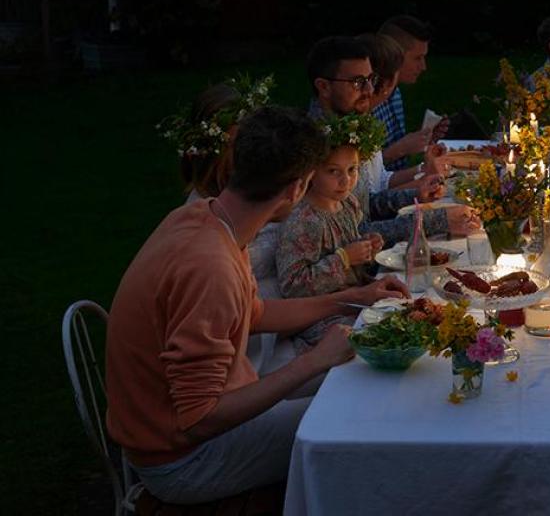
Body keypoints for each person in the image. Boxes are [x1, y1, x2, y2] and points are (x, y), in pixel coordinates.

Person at [106, 106, 410, 505]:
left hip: (199, 419)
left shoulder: (207, 217)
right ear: (296, 190)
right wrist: (315, 360)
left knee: (366, 375)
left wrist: (354, 297)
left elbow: (254, 313)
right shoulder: (210, 266)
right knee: (361, 422)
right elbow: (199, 419)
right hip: (182, 461)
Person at [161, 75, 284, 372]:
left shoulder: (239, 205)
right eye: (242, 144)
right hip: (244, 360)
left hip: (273, 333)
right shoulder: (208, 234)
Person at [306, 36, 476, 244]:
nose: (369, 90)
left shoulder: (347, 128)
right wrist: (437, 221)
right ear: (323, 87)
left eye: (371, 80)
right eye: (358, 82)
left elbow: (365, 205)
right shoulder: (314, 146)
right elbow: (353, 232)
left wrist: (418, 193)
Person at [277, 113, 386, 351]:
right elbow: (293, 286)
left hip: (355, 298)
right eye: (333, 171)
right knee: (369, 341)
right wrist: (344, 258)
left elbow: (350, 256)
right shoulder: (304, 221)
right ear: (311, 172)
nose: (345, 181)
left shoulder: (348, 205)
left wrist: (365, 247)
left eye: (352, 170)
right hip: (320, 314)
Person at [377, 15, 445, 170]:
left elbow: (398, 163)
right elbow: (362, 173)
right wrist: (401, 148)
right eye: (417, 58)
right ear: (394, 54)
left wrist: (422, 140)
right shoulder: (367, 101)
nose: (423, 67)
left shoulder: (395, 94)